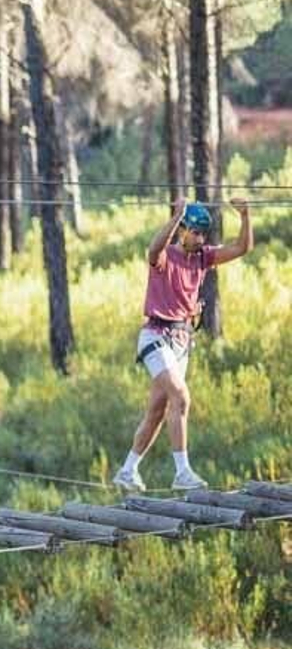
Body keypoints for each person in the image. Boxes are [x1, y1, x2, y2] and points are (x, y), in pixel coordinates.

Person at [112, 198, 253, 493]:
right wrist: (176, 216)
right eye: (196, 233)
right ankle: (182, 472)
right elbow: (152, 250)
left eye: (204, 234)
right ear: (183, 231)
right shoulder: (165, 257)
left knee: (158, 411)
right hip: (156, 336)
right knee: (182, 397)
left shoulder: (203, 257)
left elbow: (241, 248)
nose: (200, 239)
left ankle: (127, 470)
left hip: (182, 341)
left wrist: (245, 215)